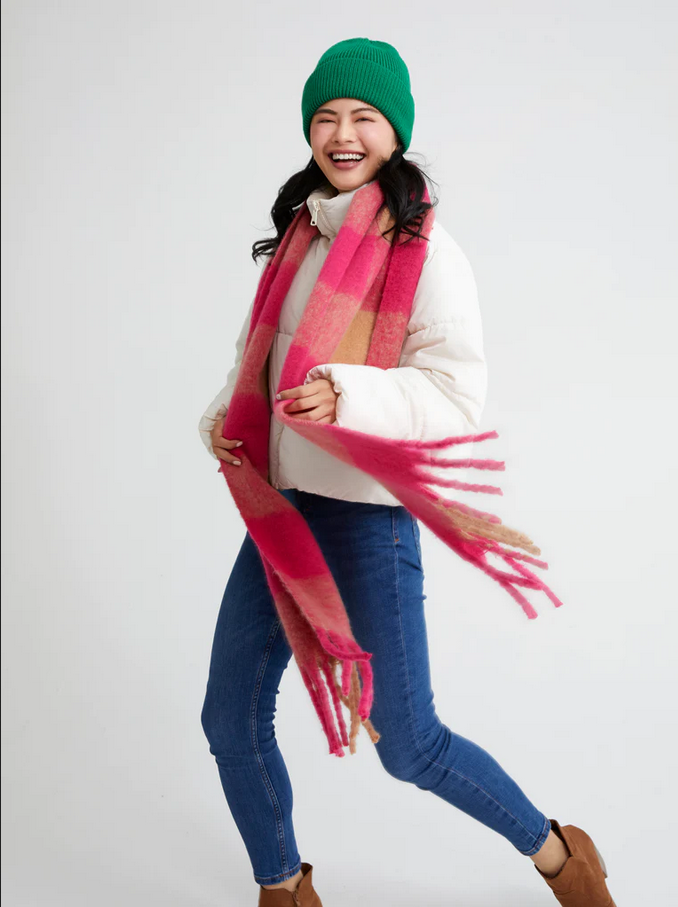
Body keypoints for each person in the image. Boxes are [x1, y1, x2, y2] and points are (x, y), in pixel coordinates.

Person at [198, 38, 616, 907]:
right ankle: (284, 886)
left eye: (363, 117)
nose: (342, 134)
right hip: (282, 512)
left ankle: (559, 852)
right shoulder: (299, 236)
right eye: (325, 118)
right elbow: (258, 356)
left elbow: (455, 395)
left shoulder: (429, 251)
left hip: (365, 516)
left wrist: (346, 392)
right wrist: (225, 417)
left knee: (410, 744)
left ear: (396, 132)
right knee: (229, 717)